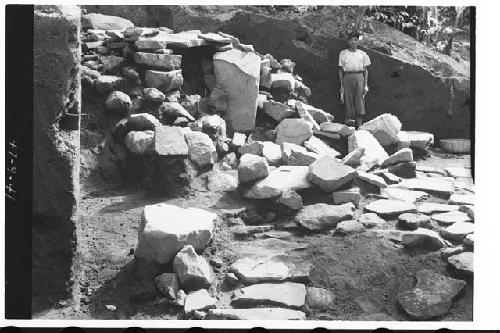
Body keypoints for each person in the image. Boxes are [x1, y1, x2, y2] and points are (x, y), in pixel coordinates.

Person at [338, 31, 371, 128]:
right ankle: (349, 125)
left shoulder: (362, 54)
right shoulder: (343, 53)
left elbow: (366, 70)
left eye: (355, 40)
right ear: (348, 42)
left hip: (359, 77)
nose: (353, 42)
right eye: (351, 40)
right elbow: (340, 70)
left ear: (358, 42)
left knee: (359, 100)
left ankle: (359, 125)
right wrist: (341, 86)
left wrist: (365, 85)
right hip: (347, 77)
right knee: (348, 99)